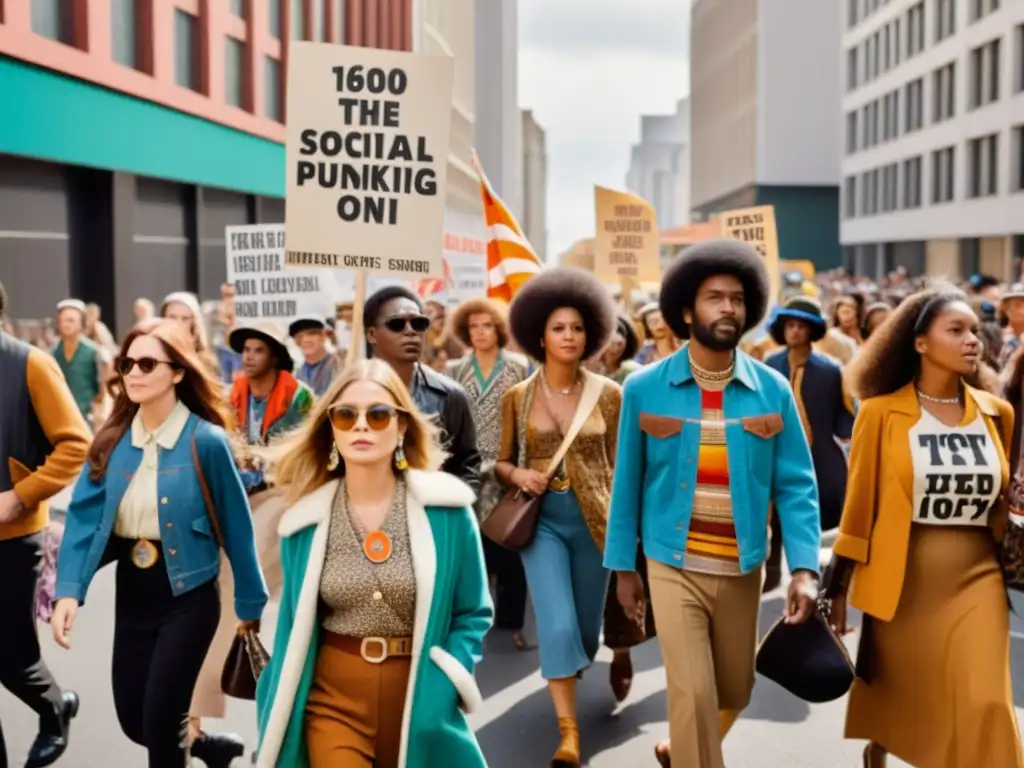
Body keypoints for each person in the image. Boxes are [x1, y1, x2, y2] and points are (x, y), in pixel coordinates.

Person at [605, 239, 821, 768]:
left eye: (737, 299)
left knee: (735, 691)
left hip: (744, 563)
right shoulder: (644, 387)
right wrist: (622, 568)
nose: (728, 308)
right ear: (686, 311)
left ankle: (681, 750)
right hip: (671, 562)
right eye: (714, 298)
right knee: (695, 694)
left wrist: (804, 569)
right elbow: (626, 482)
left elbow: (797, 487)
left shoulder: (772, 389)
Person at [51, 319, 268, 768]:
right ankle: (209, 747)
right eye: (127, 363)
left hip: (189, 597)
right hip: (134, 593)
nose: (133, 372)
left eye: (147, 363)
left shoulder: (204, 441)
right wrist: (69, 590)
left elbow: (236, 525)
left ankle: (185, 748)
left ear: (177, 372)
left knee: (161, 720)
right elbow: (83, 519)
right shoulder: (112, 442)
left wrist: (250, 604)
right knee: (135, 720)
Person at [254, 359, 492, 768]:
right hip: (332, 703)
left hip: (421, 697)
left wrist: (445, 684)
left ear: (401, 426)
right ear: (331, 428)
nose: (361, 425)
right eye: (345, 415)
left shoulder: (447, 511)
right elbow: (293, 629)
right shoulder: (303, 524)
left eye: (378, 414)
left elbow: (473, 611)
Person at [824, 285, 1023, 768]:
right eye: (955, 330)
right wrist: (838, 587)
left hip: (978, 574)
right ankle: (883, 745)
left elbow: (1001, 499)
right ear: (919, 343)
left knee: (985, 701)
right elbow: (859, 508)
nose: (972, 339)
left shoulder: (997, 413)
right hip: (904, 580)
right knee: (912, 699)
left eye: (975, 330)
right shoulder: (879, 413)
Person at [494, 267, 630, 767]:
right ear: (540, 335)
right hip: (542, 524)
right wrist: (517, 476)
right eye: (558, 328)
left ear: (590, 332)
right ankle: (568, 735)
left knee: (585, 635)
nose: (569, 336)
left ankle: (611, 653)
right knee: (554, 625)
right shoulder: (516, 397)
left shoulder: (611, 395)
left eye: (576, 328)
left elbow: (623, 466)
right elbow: (500, 460)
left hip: (597, 523)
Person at [0, 280, 90, 768]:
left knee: (13, 660)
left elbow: (75, 445)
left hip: (12, 539)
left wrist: (20, 495)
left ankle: (56, 708)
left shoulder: (30, 363)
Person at [445, 298, 532, 650]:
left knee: (511, 538)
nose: (480, 332)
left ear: (498, 329)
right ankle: (477, 611)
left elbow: (526, 416)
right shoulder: (454, 369)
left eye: (486, 325)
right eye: (473, 327)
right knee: (474, 542)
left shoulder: (518, 366)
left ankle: (512, 618)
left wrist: (522, 465)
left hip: (507, 463)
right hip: (467, 464)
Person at [763, 296, 855, 590]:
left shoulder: (830, 369)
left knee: (817, 512)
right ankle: (774, 570)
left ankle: (816, 574)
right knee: (774, 509)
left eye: (801, 326)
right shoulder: (769, 365)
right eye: (789, 325)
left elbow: (845, 411)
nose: (794, 332)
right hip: (774, 450)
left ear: (812, 330)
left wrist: (845, 433)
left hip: (821, 454)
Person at [364, 286, 481, 493]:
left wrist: (452, 515)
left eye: (419, 323)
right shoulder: (350, 394)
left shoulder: (450, 395)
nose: (410, 331)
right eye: (397, 324)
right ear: (372, 334)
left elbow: (467, 466)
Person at [51, 299, 106, 429]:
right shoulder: (52, 353)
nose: (66, 325)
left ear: (81, 323)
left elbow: (100, 389)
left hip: (85, 417)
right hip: (59, 416)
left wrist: (97, 411)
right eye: (63, 320)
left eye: (71, 320)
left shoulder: (92, 351)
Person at [161, 292, 221, 379]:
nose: (178, 323)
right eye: (172, 317)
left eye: (185, 318)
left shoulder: (205, 359)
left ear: (194, 323)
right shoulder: (151, 351)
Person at [289, 316, 338, 397]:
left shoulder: (339, 363)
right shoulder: (297, 373)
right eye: (299, 336)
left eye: (311, 334)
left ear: (323, 336)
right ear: (295, 341)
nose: (305, 340)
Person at [594, 315, 642, 384]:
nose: (615, 349)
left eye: (619, 344)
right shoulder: (583, 371)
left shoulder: (634, 372)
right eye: (610, 343)